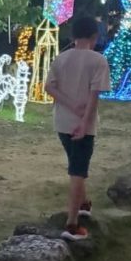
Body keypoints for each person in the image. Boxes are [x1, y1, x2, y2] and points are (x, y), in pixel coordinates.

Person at [45, 15, 110, 241]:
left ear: (73, 35)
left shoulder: (61, 59)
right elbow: (94, 95)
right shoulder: (98, 61)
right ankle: (72, 224)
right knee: (78, 172)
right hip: (84, 125)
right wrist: (83, 122)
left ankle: (84, 204)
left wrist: (71, 105)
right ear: (95, 36)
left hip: (62, 121)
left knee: (75, 164)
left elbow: (49, 87)